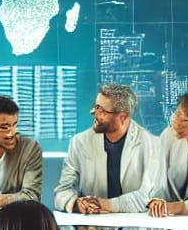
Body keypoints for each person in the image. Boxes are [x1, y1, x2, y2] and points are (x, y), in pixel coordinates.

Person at [53, 83, 161, 215]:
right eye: (96, 107)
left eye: (102, 110)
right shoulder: (79, 142)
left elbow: (147, 197)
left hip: (133, 228)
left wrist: (102, 204)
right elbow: (62, 192)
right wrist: (76, 204)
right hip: (92, 229)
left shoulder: (151, 144)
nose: (93, 113)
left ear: (122, 117)